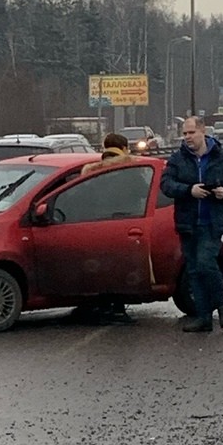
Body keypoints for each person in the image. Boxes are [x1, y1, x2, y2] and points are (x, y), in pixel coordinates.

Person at [160, 115, 223, 332]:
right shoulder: (178, 159)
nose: (187, 137)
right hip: (188, 223)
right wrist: (189, 190)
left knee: (206, 263)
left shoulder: (222, 158)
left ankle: (222, 304)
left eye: (191, 133)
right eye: (185, 133)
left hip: (212, 222)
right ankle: (203, 316)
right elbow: (166, 184)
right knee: (195, 270)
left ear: (203, 131)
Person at [80, 131, 136, 323]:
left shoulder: (90, 171)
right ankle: (118, 308)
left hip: (94, 226)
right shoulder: (129, 169)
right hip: (122, 225)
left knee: (99, 267)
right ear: (123, 149)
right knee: (121, 268)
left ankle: (99, 306)